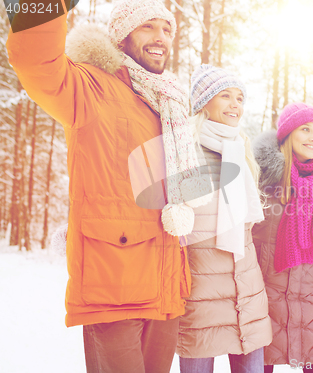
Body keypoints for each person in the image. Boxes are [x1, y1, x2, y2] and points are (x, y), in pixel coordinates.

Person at [7, 0, 207, 371]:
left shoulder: (169, 102)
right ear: (122, 35)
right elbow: (36, 63)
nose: (160, 37)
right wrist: (43, 6)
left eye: (166, 29)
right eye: (148, 27)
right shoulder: (91, 87)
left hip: (165, 286)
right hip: (115, 283)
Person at [176, 64, 272, 373]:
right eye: (225, 96)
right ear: (204, 102)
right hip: (200, 295)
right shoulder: (185, 151)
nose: (235, 105)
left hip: (246, 292)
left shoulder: (241, 150)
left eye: (240, 98)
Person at [252, 103, 313, 372]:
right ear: (287, 133)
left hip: (309, 291)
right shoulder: (261, 179)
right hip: (266, 289)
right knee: (261, 362)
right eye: (305, 129)